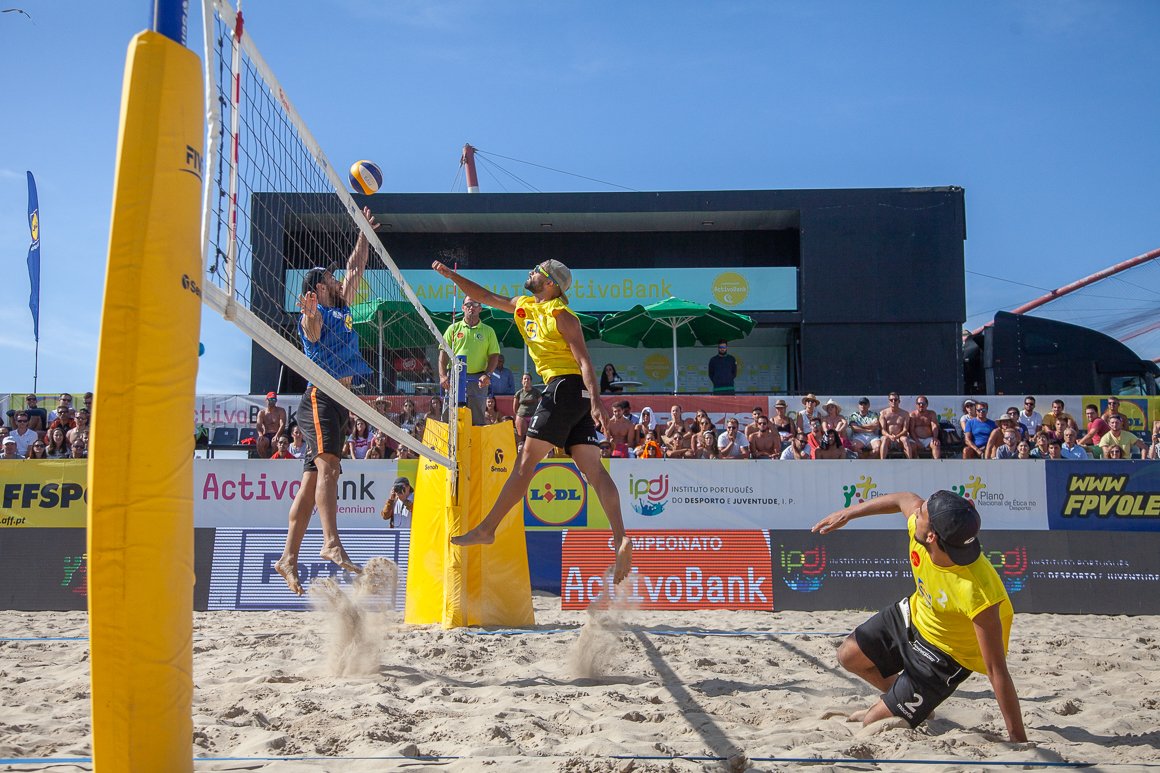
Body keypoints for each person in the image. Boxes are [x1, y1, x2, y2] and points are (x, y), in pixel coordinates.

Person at [433, 257, 632, 583]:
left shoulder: (563, 316)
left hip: (564, 388)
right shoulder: (524, 305)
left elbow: (585, 361)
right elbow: (485, 297)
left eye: (538, 271)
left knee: (525, 463)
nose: (531, 272)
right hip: (569, 393)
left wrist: (596, 399)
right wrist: (451, 276)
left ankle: (486, 529)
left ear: (551, 283)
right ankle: (620, 537)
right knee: (593, 468)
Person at [811, 490, 1026, 741]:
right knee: (848, 655)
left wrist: (1018, 739)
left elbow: (996, 670)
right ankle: (908, 703)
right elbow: (902, 498)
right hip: (914, 615)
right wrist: (847, 513)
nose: (918, 509)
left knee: (872, 723)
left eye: (923, 512)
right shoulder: (924, 529)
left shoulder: (978, 591)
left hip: (944, 656)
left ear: (932, 535)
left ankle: (904, 705)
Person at [272, 206, 376, 596]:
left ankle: (287, 558)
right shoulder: (312, 315)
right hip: (320, 397)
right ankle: (330, 541)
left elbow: (356, 268)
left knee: (310, 482)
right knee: (329, 466)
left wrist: (363, 233)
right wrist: (311, 315)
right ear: (316, 289)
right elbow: (311, 332)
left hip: (339, 401)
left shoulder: (343, 305)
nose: (337, 279)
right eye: (329, 278)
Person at [439, 297, 500, 426]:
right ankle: (444, 445)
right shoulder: (453, 329)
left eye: (475, 304)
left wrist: (487, 374)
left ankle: (474, 445)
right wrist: (443, 375)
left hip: (478, 378)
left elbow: (494, 355)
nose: (471, 307)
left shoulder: (488, 331)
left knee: (477, 416)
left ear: (480, 308)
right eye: (468, 304)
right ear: (463, 308)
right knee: (448, 413)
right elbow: (443, 354)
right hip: (455, 376)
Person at [879, 393, 914, 459]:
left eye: (895, 400)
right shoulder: (883, 413)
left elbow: (905, 430)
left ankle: (910, 461)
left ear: (899, 401)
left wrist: (897, 436)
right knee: (885, 439)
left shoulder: (905, 414)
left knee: (905, 439)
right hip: (888, 437)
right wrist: (889, 436)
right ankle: (882, 462)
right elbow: (883, 430)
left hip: (899, 438)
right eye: (891, 400)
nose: (893, 401)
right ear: (889, 401)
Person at [512, 373, 543, 448]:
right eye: (524, 379)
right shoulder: (518, 393)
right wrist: (520, 414)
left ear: (531, 381)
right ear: (522, 381)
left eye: (528, 379)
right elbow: (515, 407)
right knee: (521, 437)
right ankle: (520, 454)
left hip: (534, 417)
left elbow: (541, 404)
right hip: (522, 417)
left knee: (534, 436)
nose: (526, 380)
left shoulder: (536, 392)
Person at [908, 395, 942, 459]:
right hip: (915, 439)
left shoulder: (932, 413)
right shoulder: (912, 415)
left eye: (923, 403)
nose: (921, 405)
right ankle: (915, 463)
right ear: (916, 405)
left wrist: (935, 438)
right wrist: (917, 441)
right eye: (919, 403)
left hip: (928, 439)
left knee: (936, 444)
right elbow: (911, 430)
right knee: (912, 446)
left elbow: (934, 426)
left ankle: (936, 464)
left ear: (927, 404)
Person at [256, 392, 287, 458]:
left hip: (277, 433)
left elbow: (282, 424)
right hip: (266, 435)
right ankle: (265, 461)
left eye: (274, 400)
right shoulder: (262, 413)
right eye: (270, 400)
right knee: (260, 442)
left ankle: (272, 460)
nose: (272, 402)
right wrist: (260, 435)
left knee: (275, 443)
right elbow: (258, 425)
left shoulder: (281, 411)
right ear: (266, 400)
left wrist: (277, 435)